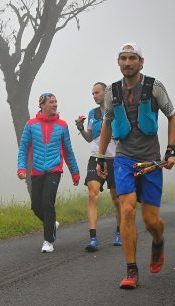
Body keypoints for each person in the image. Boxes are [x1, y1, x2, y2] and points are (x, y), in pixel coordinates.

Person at [97, 42, 175, 289]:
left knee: (152, 221)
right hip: (124, 159)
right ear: (118, 62)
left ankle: (158, 240)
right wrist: (101, 157)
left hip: (152, 159)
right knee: (128, 209)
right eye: (123, 58)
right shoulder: (111, 92)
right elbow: (108, 124)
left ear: (141, 62)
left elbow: (173, 116)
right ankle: (131, 270)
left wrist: (170, 149)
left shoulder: (155, 87)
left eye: (132, 58)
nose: (128, 63)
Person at [17, 93, 80, 253]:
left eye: (56, 101)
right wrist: (21, 168)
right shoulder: (31, 125)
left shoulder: (62, 125)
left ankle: (48, 241)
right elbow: (23, 148)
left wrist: (75, 172)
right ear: (42, 105)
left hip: (54, 170)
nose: (55, 104)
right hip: (37, 170)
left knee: (47, 202)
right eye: (51, 102)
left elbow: (68, 150)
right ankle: (51, 224)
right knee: (36, 206)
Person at [75, 82, 121, 252]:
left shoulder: (117, 110)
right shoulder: (92, 113)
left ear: (106, 92)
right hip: (96, 157)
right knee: (92, 194)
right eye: (92, 93)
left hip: (115, 159)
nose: (94, 96)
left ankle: (119, 233)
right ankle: (93, 238)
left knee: (116, 199)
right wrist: (80, 128)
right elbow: (89, 138)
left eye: (97, 92)